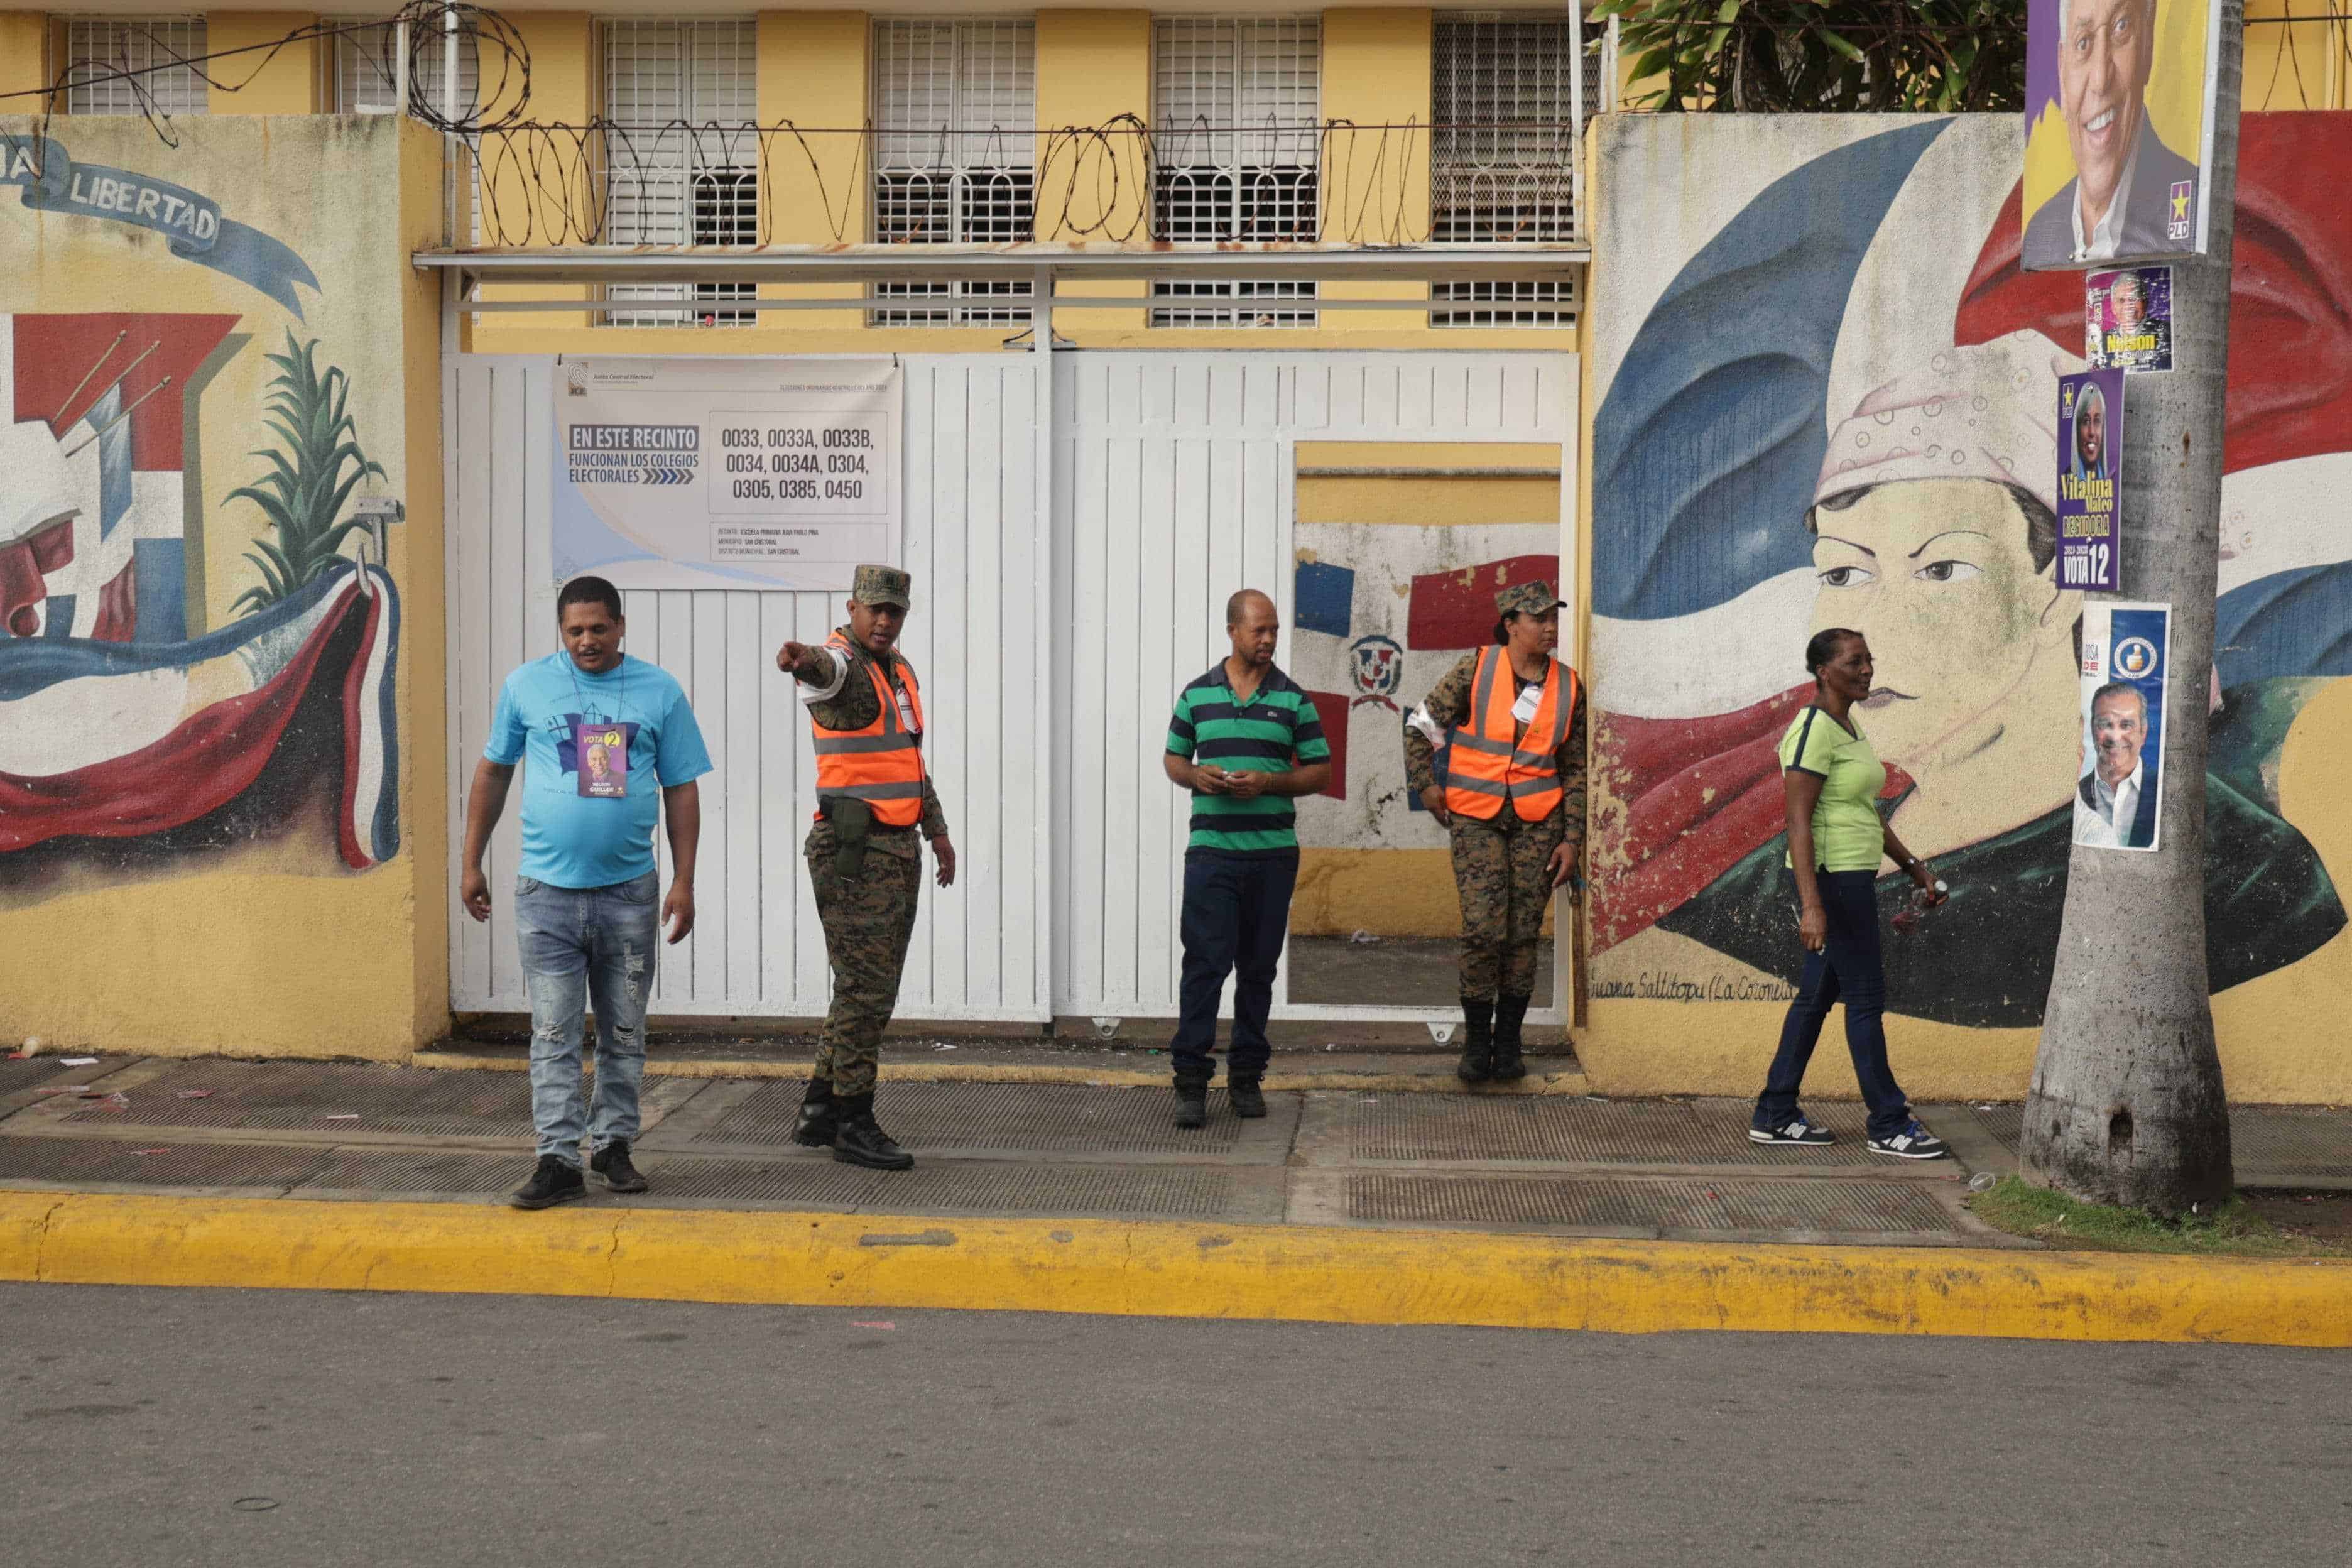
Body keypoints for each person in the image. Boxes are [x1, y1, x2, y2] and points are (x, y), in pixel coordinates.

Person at [462, 576, 709, 1210]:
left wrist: (683, 879)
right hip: (547, 896)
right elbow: (494, 771)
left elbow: (681, 787)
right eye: (575, 630)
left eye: (599, 628)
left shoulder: (659, 690)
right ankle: (557, 1158)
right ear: (560, 631)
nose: (587, 641)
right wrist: (472, 861)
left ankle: (615, 1145)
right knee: (553, 1032)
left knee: (624, 1029)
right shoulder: (526, 686)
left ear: (621, 626)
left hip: (629, 895)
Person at [774, 564, 957, 1170]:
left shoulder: (897, 671)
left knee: (864, 989)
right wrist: (802, 660)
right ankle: (854, 1121)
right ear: (851, 608)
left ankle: (820, 1110)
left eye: (894, 611)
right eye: (874, 609)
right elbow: (826, 676)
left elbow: (906, 759)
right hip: (855, 854)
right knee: (866, 992)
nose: (884, 620)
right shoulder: (844, 666)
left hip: (895, 848)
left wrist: (937, 832)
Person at [1750, 629, 1950, 1158]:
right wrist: (1812, 905)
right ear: (1823, 671)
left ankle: (1774, 1112)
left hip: (1854, 875)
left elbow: (1866, 813)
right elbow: (1797, 820)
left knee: (1815, 1000)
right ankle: (1889, 1123)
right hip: (1835, 881)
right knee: (1864, 1000)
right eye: (1854, 661)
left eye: (1869, 660)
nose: (1867, 670)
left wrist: (1915, 869)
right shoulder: (1813, 730)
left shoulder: (1848, 726)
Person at [1160, 589, 1332, 1128]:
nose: (1268, 640)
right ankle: (1191, 1082)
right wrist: (1194, 774)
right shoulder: (1196, 695)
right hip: (1211, 856)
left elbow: (1321, 771)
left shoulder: (1294, 700)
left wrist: (1271, 782)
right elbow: (1173, 757)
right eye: (1259, 630)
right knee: (1204, 967)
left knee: (1257, 971)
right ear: (1232, 630)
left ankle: (1246, 1077)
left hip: (1273, 858)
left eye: (1274, 630)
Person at [1403, 580, 1587, 1084]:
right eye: (1538, 618)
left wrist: (1572, 839)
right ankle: (1477, 1041)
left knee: (1522, 935)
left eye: (1554, 617)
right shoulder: (1475, 669)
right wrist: (1426, 786)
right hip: (1476, 820)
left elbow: (1575, 769)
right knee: (1484, 930)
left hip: (1538, 824)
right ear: (1510, 625)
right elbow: (1421, 728)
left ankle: (1509, 1043)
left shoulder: (1569, 687)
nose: (1550, 626)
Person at [2024, 0, 2201, 266]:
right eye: (2083, 43)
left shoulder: (2195, 208)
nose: (2100, 79)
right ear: (2062, 74)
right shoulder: (2040, 233)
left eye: (2121, 28)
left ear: (2147, 45)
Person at [2077, 681, 2157, 847]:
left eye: (2126, 725)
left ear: (2143, 732)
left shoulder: (2165, 791)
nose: (2115, 736)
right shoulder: (2076, 795)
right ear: (2092, 730)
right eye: (2105, 724)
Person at [2070, 381, 2110, 482]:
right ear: (2077, 428)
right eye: (2086, 421)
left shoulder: (2108, 480)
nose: (2092, 432)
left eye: (2097, 421)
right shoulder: (2067, 481)